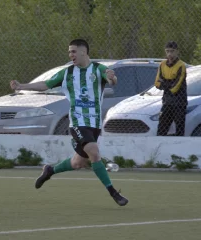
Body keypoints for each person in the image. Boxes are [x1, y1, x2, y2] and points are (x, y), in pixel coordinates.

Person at [10, 39, 128, 206]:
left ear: (83, 52)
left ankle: (50, 170)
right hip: (77, 122)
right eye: (69, 52)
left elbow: (111, 80)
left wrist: (112, 78)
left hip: (94, 123)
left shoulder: (97, 68)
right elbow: (46, 84)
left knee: (78, 162)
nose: (70, 55)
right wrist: (22, 85)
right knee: (94, 152)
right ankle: (114, 193)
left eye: (73, 51)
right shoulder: (67, 73)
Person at [154, 41, 187, 136]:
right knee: (161, 129)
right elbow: (157, 83)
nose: (169, 54)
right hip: (167, 102)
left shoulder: (181, 65)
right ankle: (159, 149)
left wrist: (164, 82)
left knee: (179, 130)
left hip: (179, 103)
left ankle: (179, 150)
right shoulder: (162, 64)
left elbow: (175, 87)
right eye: (167, 51)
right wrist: (169, 83)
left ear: (177, 52)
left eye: (172, 51)